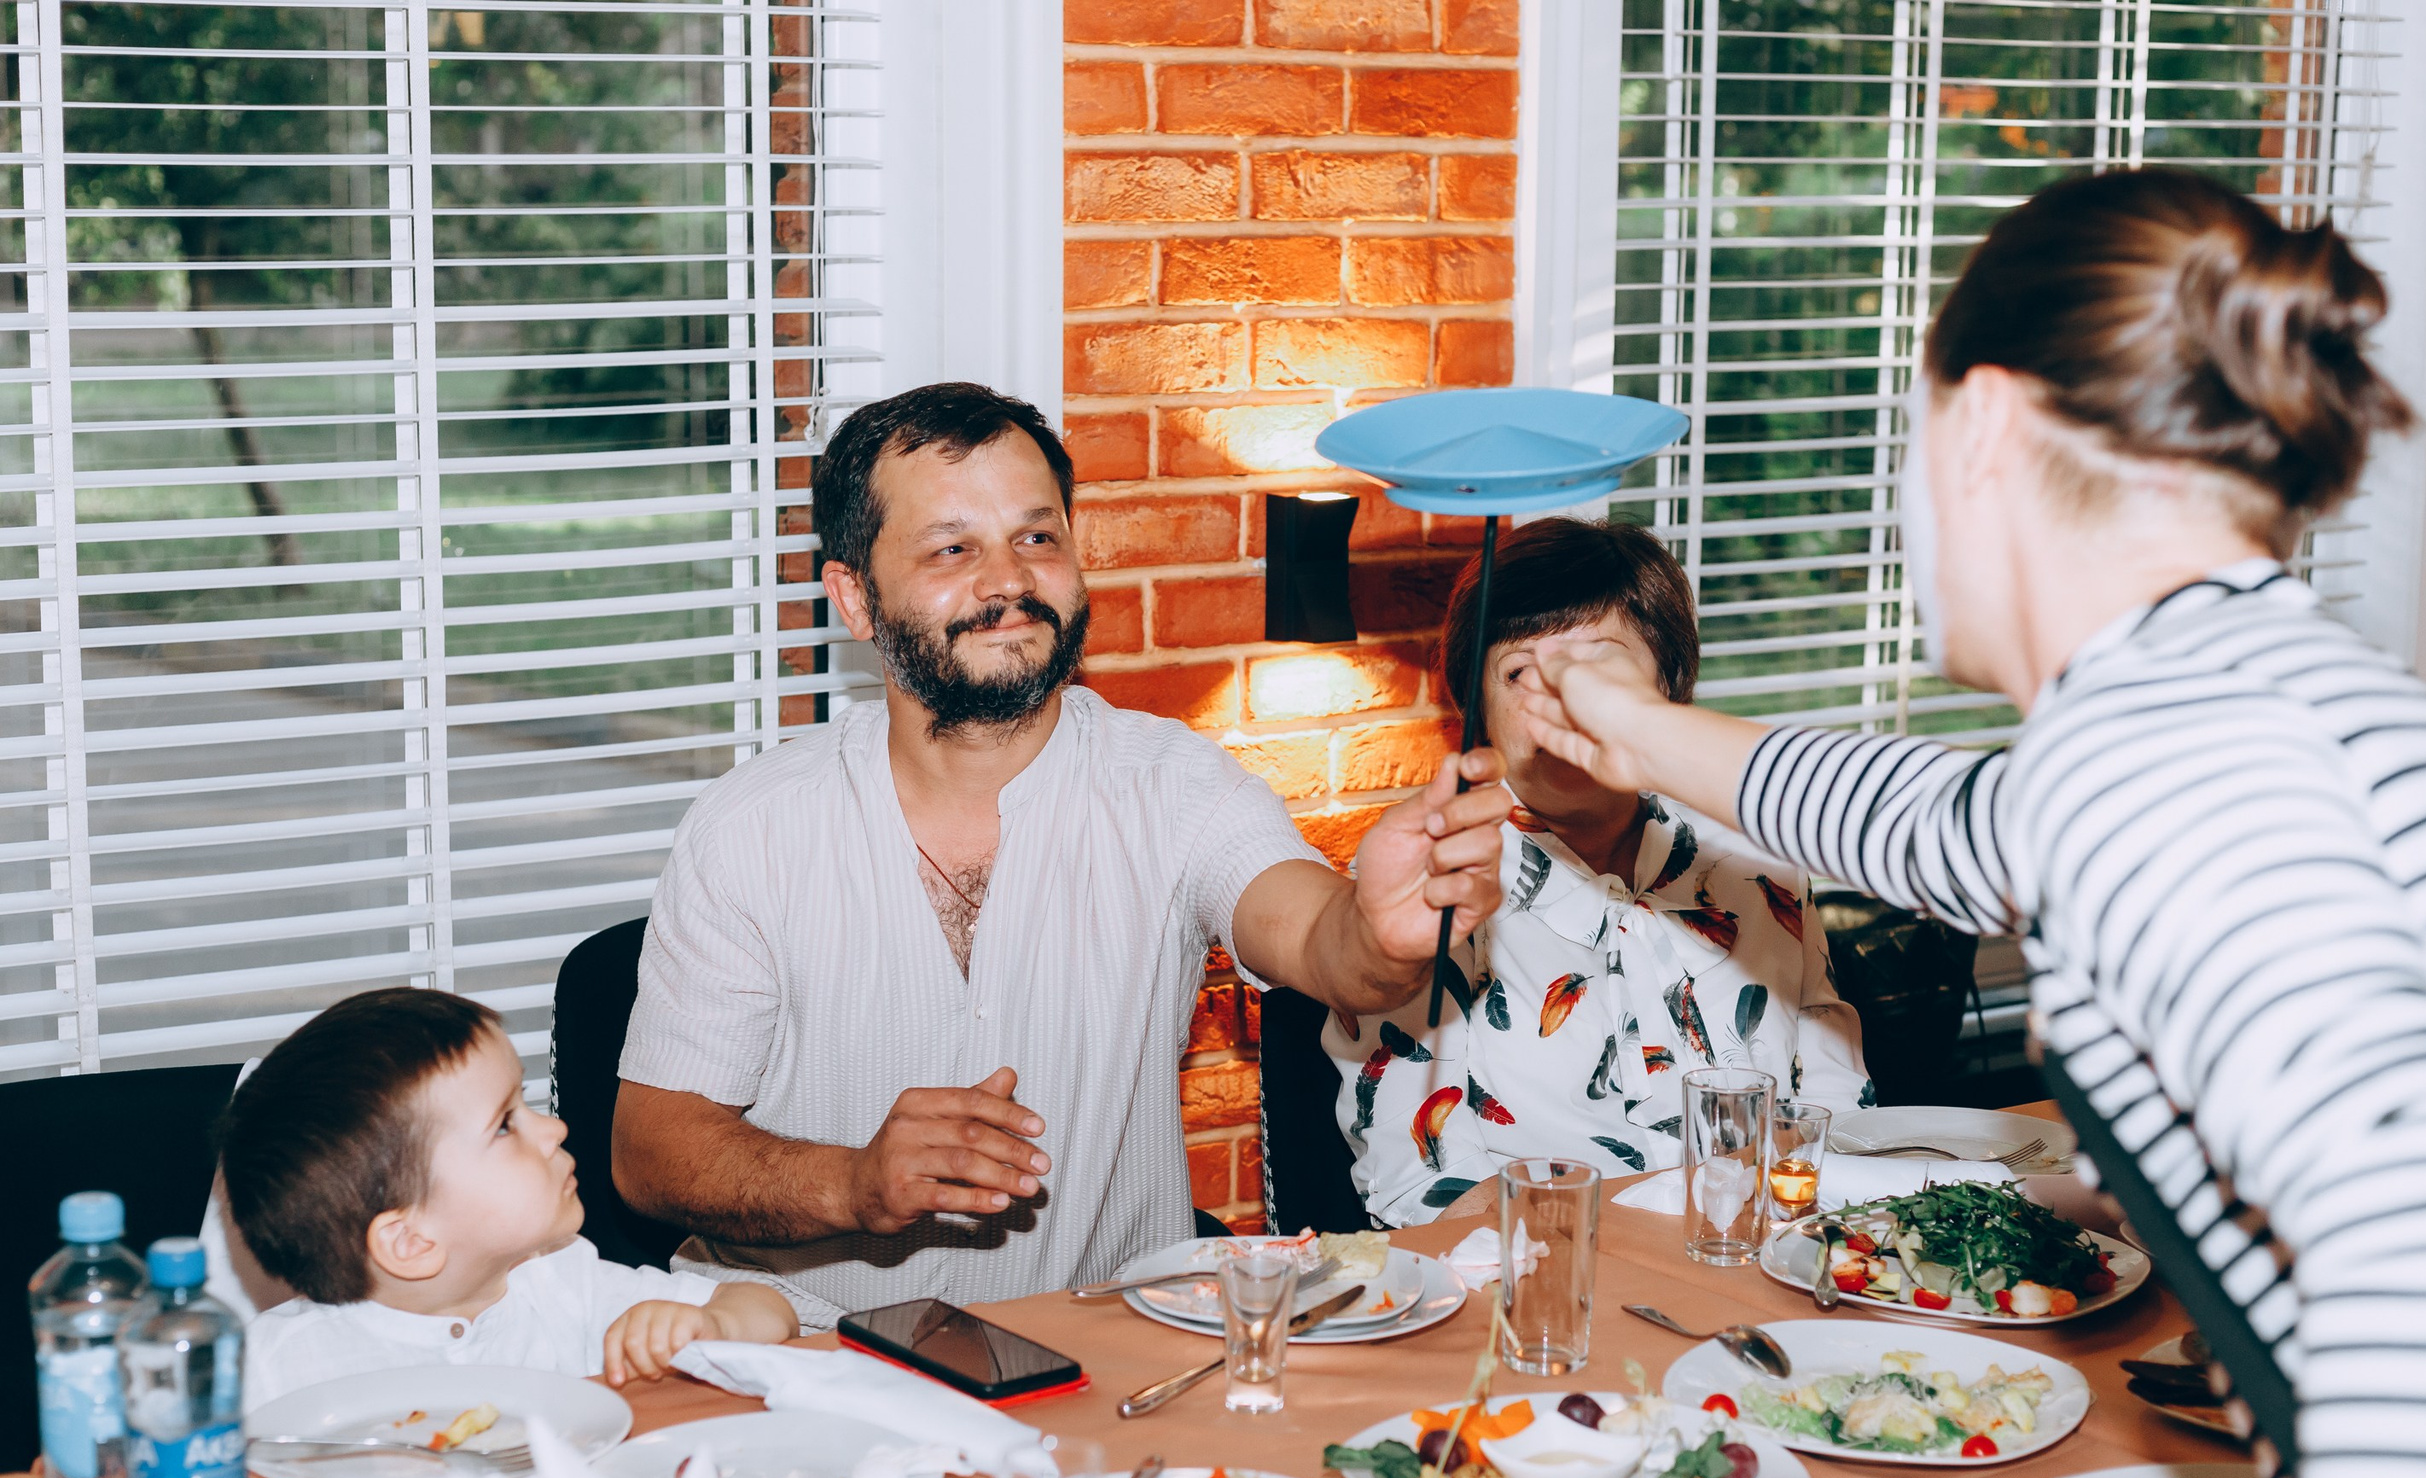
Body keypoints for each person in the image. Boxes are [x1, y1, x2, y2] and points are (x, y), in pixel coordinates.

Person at [1515, 167, 2426, 1478]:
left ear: (1983, 426)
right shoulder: (2233, 692)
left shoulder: (2164, 751)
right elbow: (1955, 826)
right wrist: (1633, 723)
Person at [611, 382, 1510, 1319]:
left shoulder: (1173, 783)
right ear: (855, 598)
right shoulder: (749, 827)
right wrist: (854, 1184)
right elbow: (651, 1150)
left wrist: (1381, 930)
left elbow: (1324, 942)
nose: (1009, 580)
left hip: (1100, 1360)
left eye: (1038, 537)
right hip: (802, 1357)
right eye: (952, 548)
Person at [1324, 518, 1868, 1224]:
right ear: (1476, 704)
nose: (1557, 700)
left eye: (1595, 667)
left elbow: (1840, 1115)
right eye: (1520, 671)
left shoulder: (1755, 850)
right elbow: (1419, 1181)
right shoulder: (1433, 872)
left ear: (1667, 681)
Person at [224, 988, 799, 1413]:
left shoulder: (559, 1283)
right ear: (411, 1241)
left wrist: (712, 1324)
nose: (553, 1130)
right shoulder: (269, 1371)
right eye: (505, 1125)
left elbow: (772, 1313)